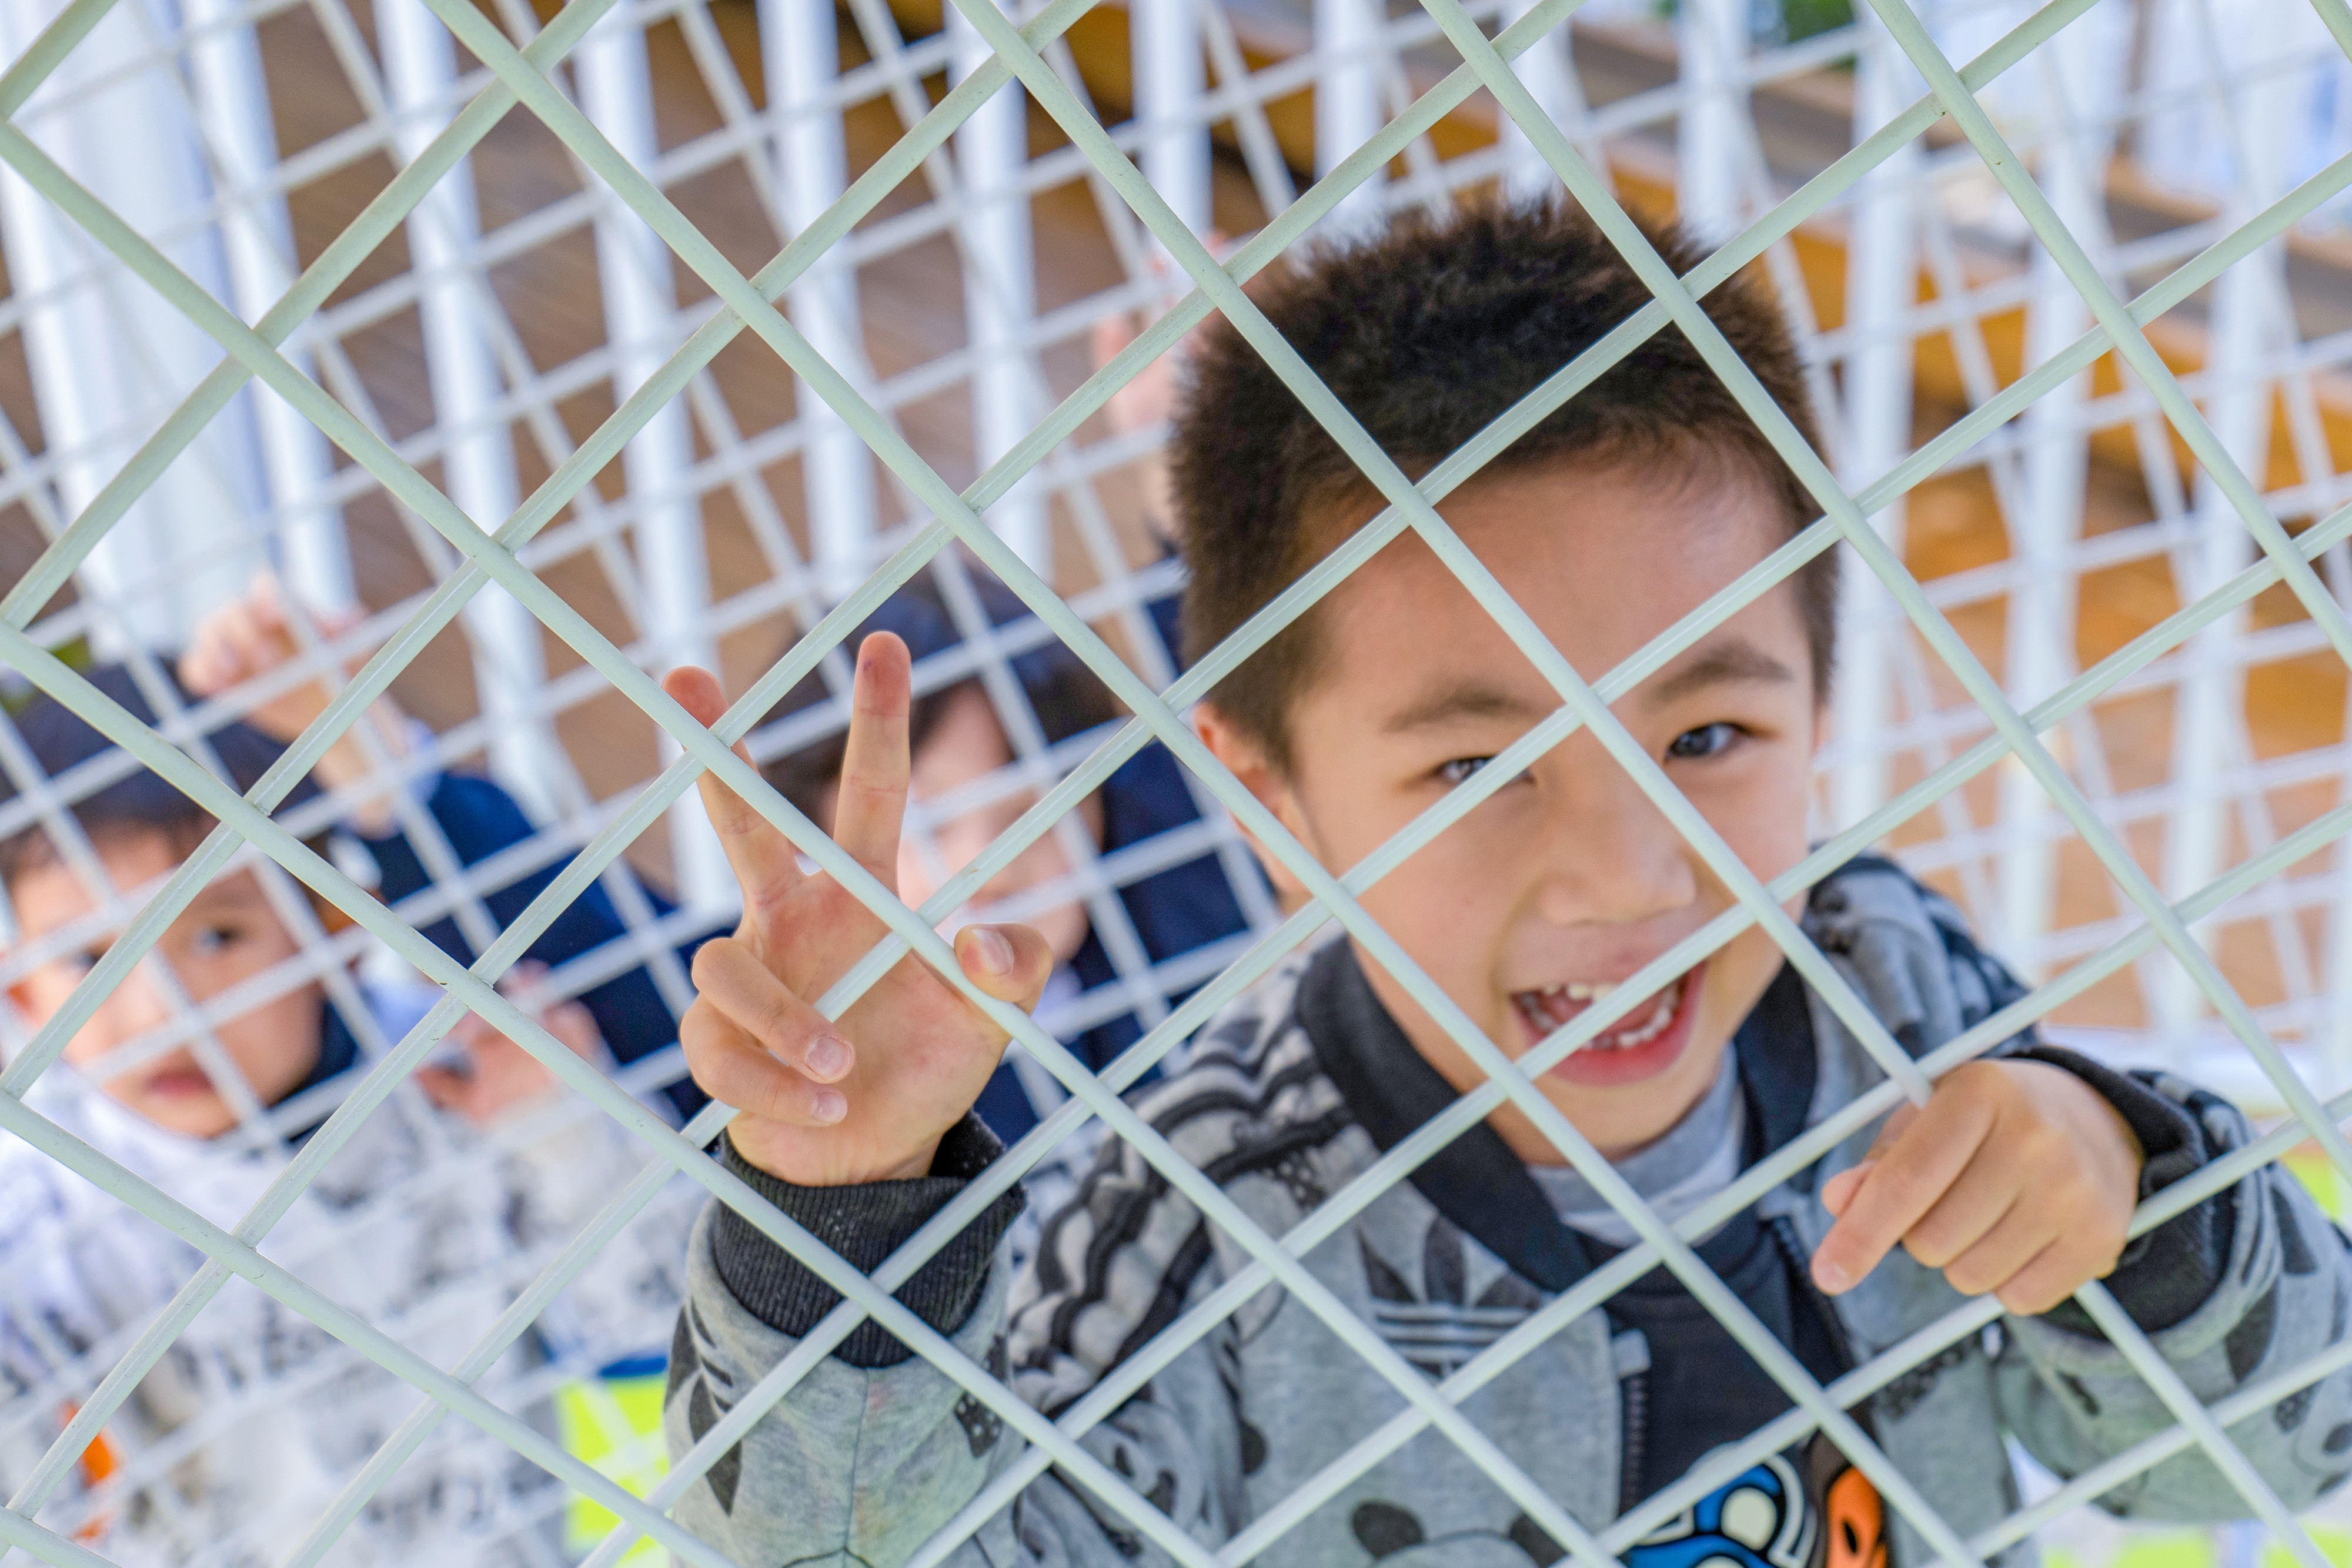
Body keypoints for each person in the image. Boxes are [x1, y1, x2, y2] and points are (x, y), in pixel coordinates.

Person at [653, 199, 2352, 1567]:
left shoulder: (1890, 999)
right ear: (1272, 800)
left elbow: (2285, 1443)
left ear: (1823, 707)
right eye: (1474, 768)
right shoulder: (1211, 1229)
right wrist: (843, 1228)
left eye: (1710, 733)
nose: (1625, 876)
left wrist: (2130, 1188)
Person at [0, 587, 691, 1565]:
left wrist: (564, 1133)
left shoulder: (457, 1080)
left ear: (335, 926)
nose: (165, 1010)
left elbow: (661, 1322)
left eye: (216, 934)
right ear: (23, 996)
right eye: (88, 961)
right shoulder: (40, 1203)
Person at [750, 565, 1260, 1154]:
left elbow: (1219, 627)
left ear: (1103, 806)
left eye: (1037, 812)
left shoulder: (1168, 908)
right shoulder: (793, 1051)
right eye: (925, 819)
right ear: (806, 838)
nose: (985, 859)